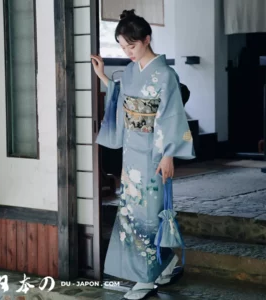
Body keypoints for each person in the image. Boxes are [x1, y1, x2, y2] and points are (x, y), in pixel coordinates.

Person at [91, 9, 195, 300]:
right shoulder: (129, 72)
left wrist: (168, 155)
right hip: (132, 153)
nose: (128, 52)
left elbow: (172, 115)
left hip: (154, 152)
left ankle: (146, 278)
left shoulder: (165, 74)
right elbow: (121, 98)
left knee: (148, 215)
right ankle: (163, 263)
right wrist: (103, 76)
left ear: (147, 39)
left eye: (132, 46)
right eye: (123, 48)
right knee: (131, 214)